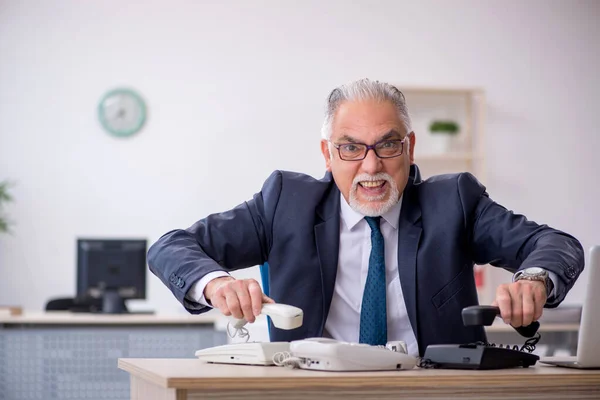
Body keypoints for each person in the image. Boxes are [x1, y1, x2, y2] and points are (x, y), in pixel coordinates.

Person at [148, 79, 584, 356]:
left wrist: (535, 280)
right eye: (351, 148)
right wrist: (218, 283)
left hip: (435, 392)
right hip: (317, 393)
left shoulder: (453, 201)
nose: (370, 167)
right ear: (327, 154)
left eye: (387, 146)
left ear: (410, 146)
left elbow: (557, 245)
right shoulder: (286, 202)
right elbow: (171, 247)